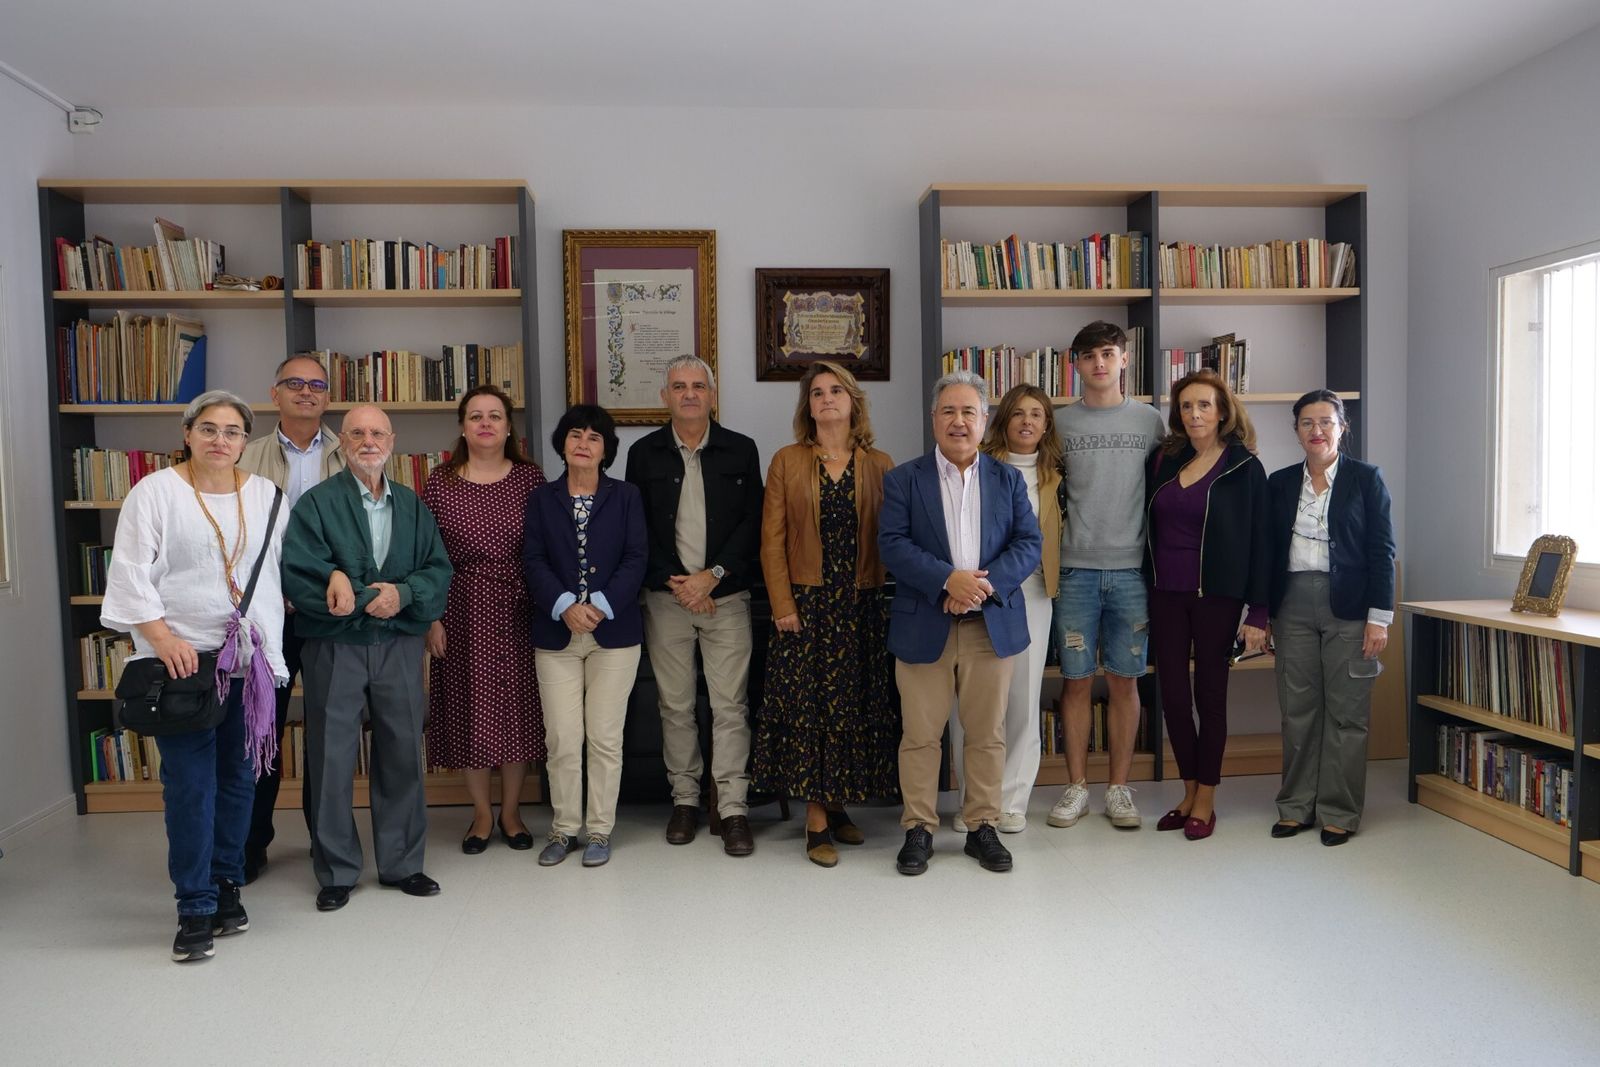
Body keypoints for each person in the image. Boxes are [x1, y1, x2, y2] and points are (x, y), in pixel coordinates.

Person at [100, 390, 289, 963]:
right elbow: (129, 573)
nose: (220, 440)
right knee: (189, 785)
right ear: (187, 433)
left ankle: (227, 884)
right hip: (182, 665)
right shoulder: (155, 492)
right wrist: (162, 639)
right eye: (208, 428)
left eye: (232, 432)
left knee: (238, 779)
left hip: (247, 664)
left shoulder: (268, 496)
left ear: (245, 441)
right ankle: (194, 904)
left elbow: (277, 574)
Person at [281, 405, 452, 911]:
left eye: (377, 432)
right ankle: (336, 872)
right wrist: (363, 595)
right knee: (331, 758)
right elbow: (299, 573)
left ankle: (402, 864)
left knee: (402, 752)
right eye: (357, 433)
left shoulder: (413, 505)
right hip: (335, 647)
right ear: (343, 443)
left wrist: (403, 593)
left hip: (399, 645)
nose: (368, 441)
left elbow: (437, 570)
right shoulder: (315, 504)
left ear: (392, 441)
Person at [879, 371, 1042, 876]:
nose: (958, 421)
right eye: (948, 411)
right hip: (924, 623)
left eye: (969, 411)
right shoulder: (904, 479)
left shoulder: (1007, 479)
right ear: (933, 419)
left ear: (984, 420)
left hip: (989, 626)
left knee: (987, 733)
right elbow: (892, 545)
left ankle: (982, 827)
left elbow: (1028, 544)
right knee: (920, 735)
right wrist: (947, 580)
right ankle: (919, 829)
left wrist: (979, 588)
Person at [750, 361, 898, 868]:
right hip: (806, 607)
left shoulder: (880, 464)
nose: (827, 398)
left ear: (853, 401)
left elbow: (893, 537)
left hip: (860, 607)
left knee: (850, 709)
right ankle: (815, 819)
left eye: (836, 390)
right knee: (811, 711)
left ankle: (836, 804)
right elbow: (771, 542)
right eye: (817, 393)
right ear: (808, 407)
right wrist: (782, 605)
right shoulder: (787, 461)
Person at [625, 355, 764, 856]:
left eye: (698, 386)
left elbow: (753, 523)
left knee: (731, 706)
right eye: (679, 386)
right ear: (665, 396)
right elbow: (637, 528)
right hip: (667, 599)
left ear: (712, 394)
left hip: (726, 598)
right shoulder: (643, 453)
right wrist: (682, 584)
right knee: (675, 705)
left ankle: (732, 808)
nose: (689, 394)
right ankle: (684, 800)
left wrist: (712, 578)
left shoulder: (741, 449)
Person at [1048, 321, 1167, 831]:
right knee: (1075, 682)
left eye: (1107, 353)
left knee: (1125, 681)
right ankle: (1076, 788)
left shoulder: (1151, 422)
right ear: (1075, 364)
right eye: (1088, 355)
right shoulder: (1057, 424)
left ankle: (1119, 789)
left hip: (1132, 573)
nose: (1099, 363)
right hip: (1074, 569)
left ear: (1124, 359)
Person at [421, 384, 547, 854]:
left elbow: (546, 546)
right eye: (476, 416)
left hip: (520, 607)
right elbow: (426, 556)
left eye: (495, 415)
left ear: (509, 427)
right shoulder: (440, 482)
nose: (486, 423)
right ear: (462, 427)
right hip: (460, 609)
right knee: (469, 711)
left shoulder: (530, 479)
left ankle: (511, 813)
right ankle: (480, 814)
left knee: (516, 711)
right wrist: (432, 618)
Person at [1144, 369, 1269, 841]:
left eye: (1204, 405)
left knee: (1209, 697)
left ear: (1222, 412)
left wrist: (1259, 612)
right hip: (1165, 595)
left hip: (1217, 597)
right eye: (1186, 406)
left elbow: (1262, 544)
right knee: (1173, 699)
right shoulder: (1164, 459)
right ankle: (1189, 791)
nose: (1194, 413)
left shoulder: (1243, 467)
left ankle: (1207, 799)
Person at [1267, 390, 1396, 846]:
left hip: (1352, 607)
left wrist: (1379, 618)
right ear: (1296, 431)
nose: (1317, 430)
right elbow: (1266, 551)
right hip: (1292, 604)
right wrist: (1261, 612)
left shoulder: (1366, 479)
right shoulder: (1280, 482)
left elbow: (1382, 551)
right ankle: (1296, 806)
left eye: (1326, 422)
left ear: (1342, 427)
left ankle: (1340, 810)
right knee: (1297, 712)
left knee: (1347, 713)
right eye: (1307, 423)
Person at [237, 353, 346, 884]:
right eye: (295, 383)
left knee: (328, 733)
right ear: (275, 392)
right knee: (261, 732)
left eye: (317, 385)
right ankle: (251, 843)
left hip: (328, 616)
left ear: (328, 396)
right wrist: (268, 595)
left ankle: (326, 841)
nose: (307, 392)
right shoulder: (246, 454)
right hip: (265, 620)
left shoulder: (351, 453)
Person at [522, 405, 647, 867]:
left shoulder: (627, 496)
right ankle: (563, 829)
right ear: (563, 443)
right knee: (562, 737)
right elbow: (533, 559)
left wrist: (598, 605)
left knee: (604, 738)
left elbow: (637, 557)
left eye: (595, 438)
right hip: (556, 634)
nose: (583, 444)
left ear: (606, 450)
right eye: (576, 434)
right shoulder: (541, 498)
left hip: (614, 633)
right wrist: (564, 605)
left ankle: (599, 830)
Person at [948, 383, 1062, 833]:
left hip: (1032, 592)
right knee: (973, 702)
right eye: (1018, 413)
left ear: (1047, 425)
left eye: (1036, 414)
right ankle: (973, 801)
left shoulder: (1056, 475)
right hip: (978, 593)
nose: (1027, 421)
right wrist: (980, 586)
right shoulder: (977, 464)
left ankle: (1012, 801)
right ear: (1002, 420)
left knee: (1023, 699)